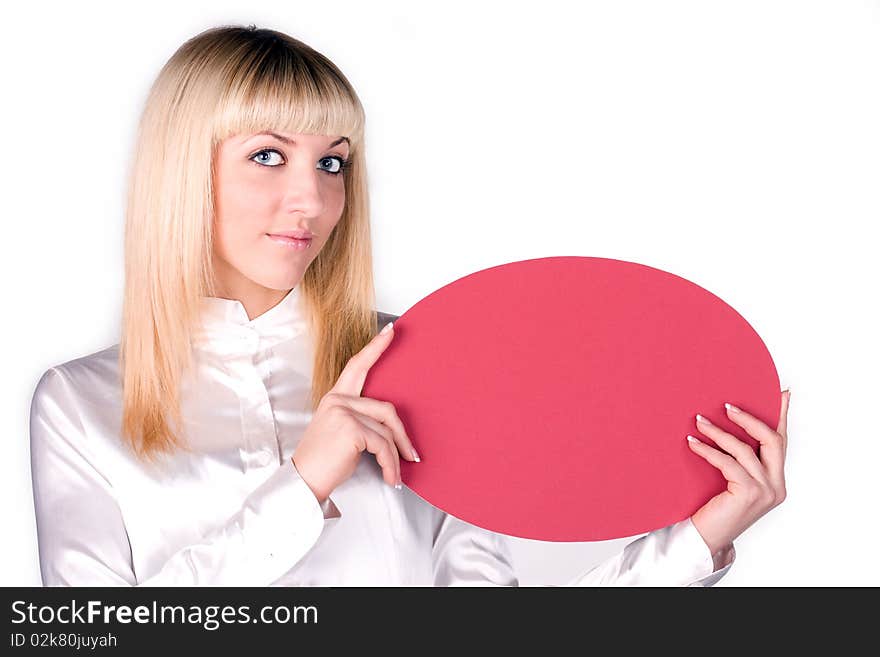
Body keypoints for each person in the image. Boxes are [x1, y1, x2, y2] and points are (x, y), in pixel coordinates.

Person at [29, 24, 789, 586]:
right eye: (268, 154)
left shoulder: (422, 363)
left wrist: (694, 542)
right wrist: (303, 484)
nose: (313, 199)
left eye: (333, 162)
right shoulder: (79, 405)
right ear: (180, 171)